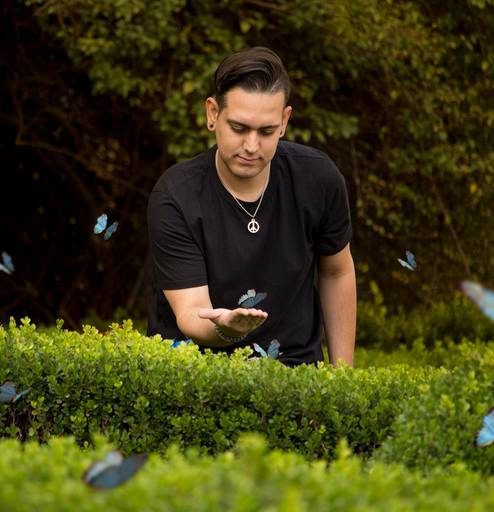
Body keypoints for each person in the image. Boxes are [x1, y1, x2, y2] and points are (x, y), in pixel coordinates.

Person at [147, 47, 356, 367]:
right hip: (195, 375)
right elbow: (190, 311)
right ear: (212, 113)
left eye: (266, 131)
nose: (251, 146)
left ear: (284, 121)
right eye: (239, 128)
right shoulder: (176, 196)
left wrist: (344, 378)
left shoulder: (318, 178)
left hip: (294, 369)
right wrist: (227, 329)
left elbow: (337, 271)